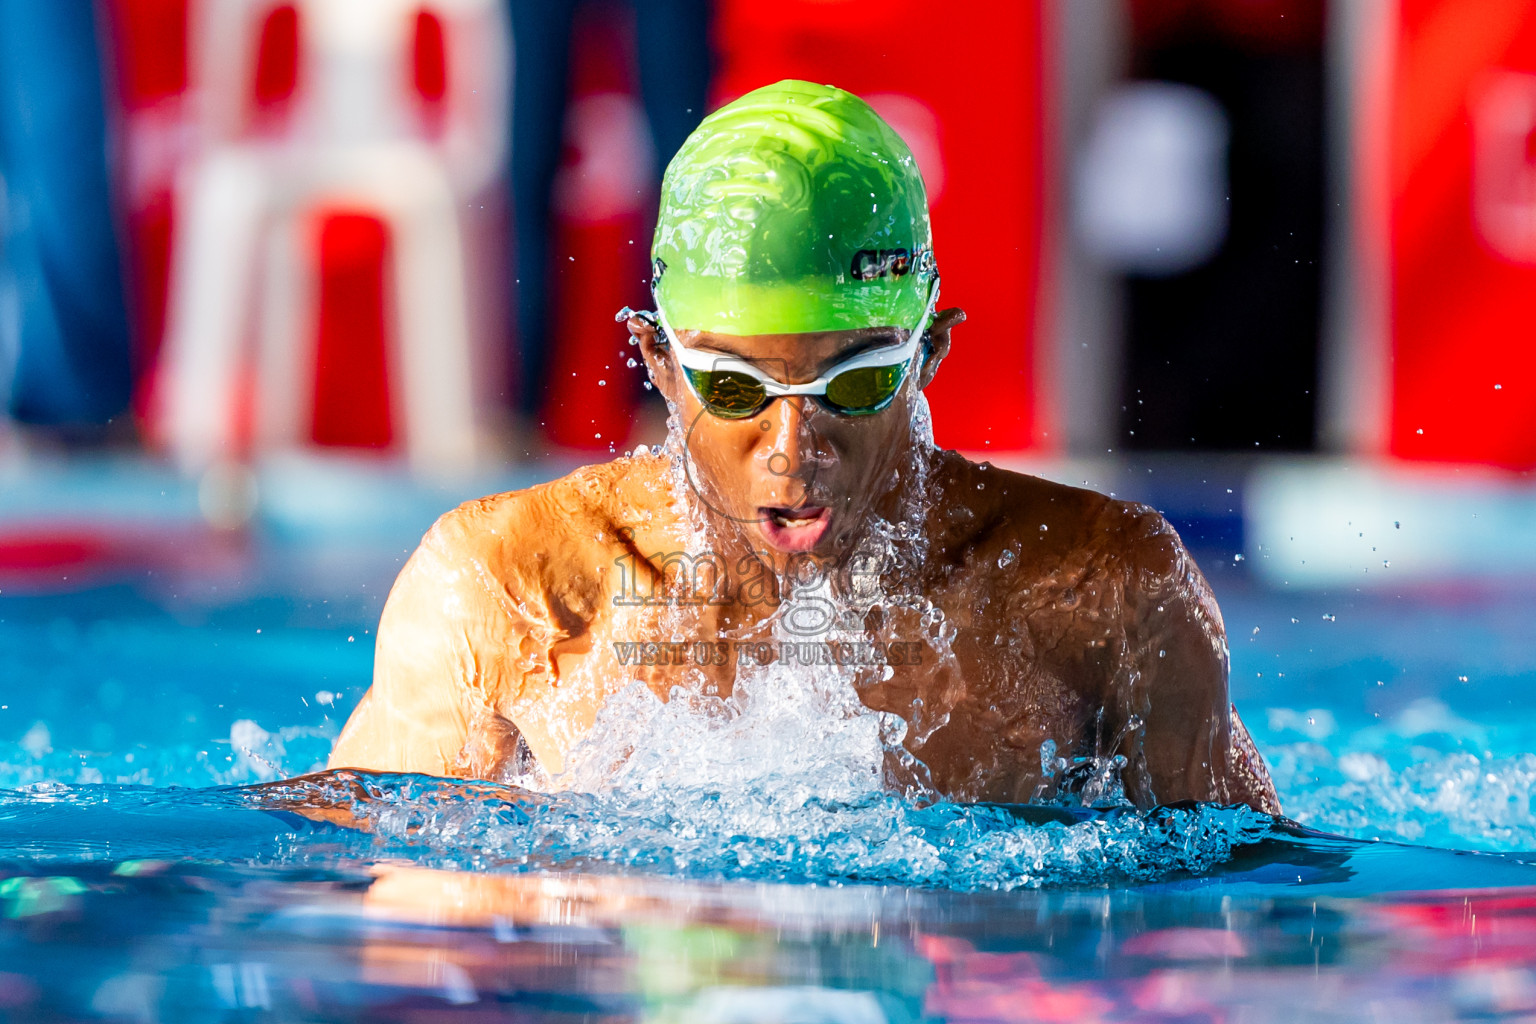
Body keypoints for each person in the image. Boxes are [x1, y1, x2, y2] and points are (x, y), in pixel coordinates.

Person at [329, 80, 1279, 813]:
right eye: (736, 389)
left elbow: (1242, 918)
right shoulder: (509, 588)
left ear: (929, 355)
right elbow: (378, 902)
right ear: (660, 364)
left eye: (855, 385)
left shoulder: (1102, 594)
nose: (791, 449)